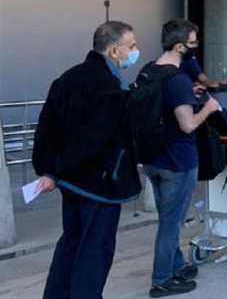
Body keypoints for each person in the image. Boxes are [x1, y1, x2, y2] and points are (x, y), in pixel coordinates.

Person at [32, 21, 143, 299]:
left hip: (71, 183)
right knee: (94, 252)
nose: (135, 51)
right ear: (115, 51)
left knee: (71, 243)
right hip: (100, 185)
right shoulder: (108, 88)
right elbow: (91, 140)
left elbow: (46, 129)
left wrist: (51, 171)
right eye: (131, 46)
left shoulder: (67, 79)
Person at [142, 19, 221, 297]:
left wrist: (190, 93)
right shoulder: (176, 79)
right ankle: (162, 279)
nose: (195, 47)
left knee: (169, 217)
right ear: (178, 46)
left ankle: (176, 265)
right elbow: (187, 125)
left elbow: (164, 105)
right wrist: (208, 107)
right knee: (171, 223)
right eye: (192, 42)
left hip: (152, 160)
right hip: (177, 162)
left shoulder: (150, 70)